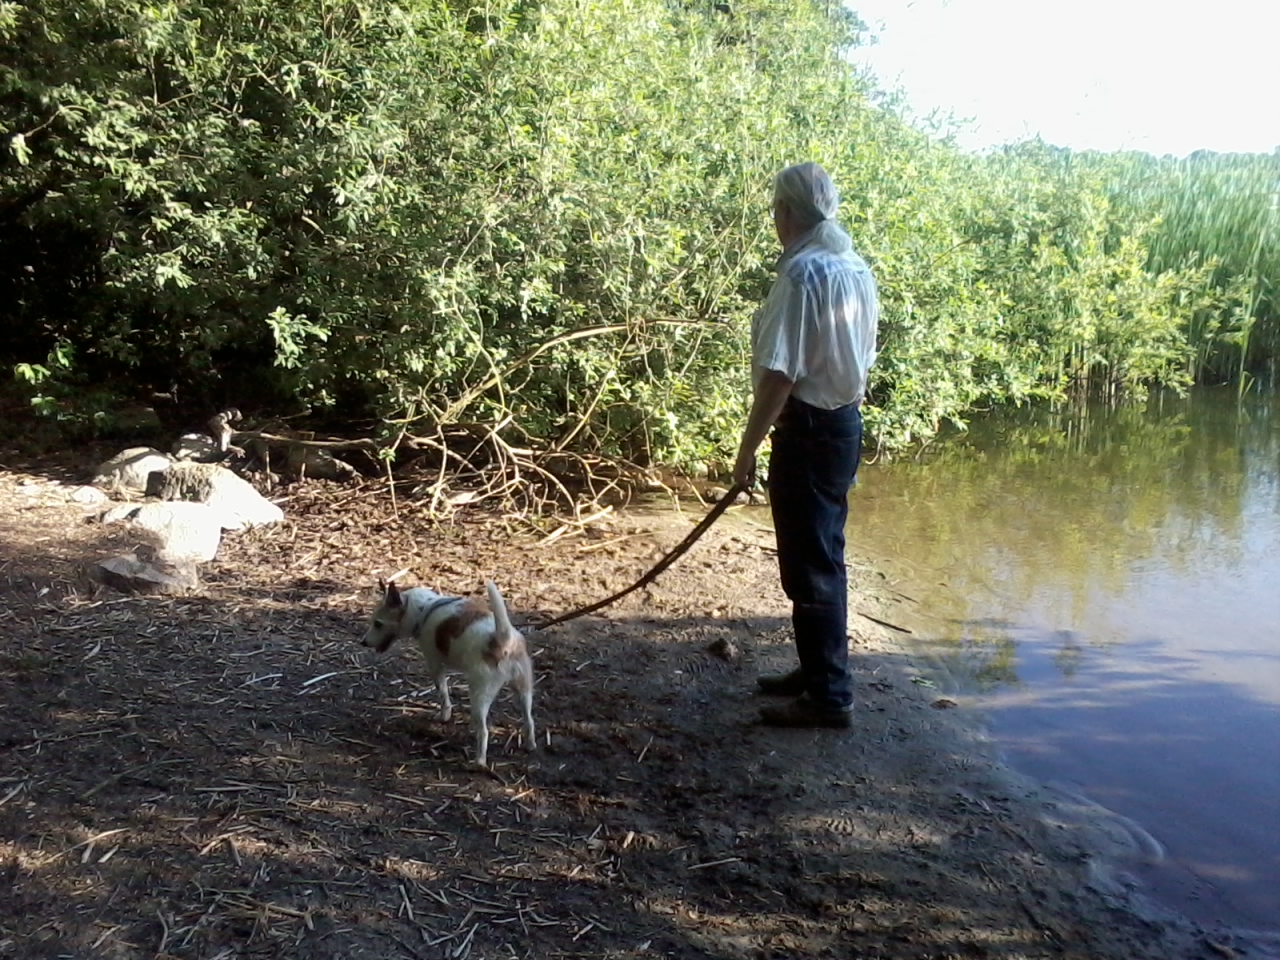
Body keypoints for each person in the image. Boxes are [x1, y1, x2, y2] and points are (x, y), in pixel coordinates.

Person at [732, 161, 879, 728]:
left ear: (787, 212)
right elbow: (862, 356)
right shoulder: (855, 267)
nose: (775, 219)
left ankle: (829, 697)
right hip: (843, 426)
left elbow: (779, 375)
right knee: (823, 556)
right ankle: (818, 671)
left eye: (776, 209)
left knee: (811, 566)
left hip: (809, 430)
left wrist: (747, 449)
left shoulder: (801, 274)